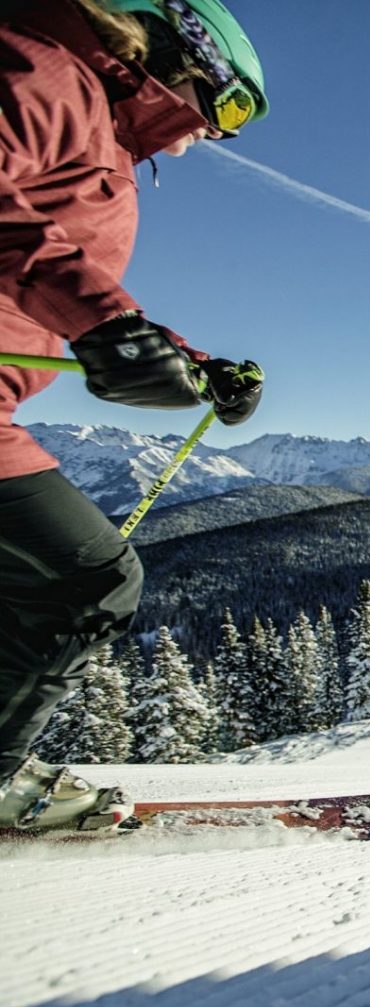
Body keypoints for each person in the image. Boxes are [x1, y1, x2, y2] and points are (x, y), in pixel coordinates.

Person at [0, 0, 268, 831]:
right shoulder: (38, 67)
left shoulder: (95, 122)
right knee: (89, 577)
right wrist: (103, 323)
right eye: (226, 108)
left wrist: (189, 364)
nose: (213, 138)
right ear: (177, 49)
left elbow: (58, 262)